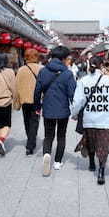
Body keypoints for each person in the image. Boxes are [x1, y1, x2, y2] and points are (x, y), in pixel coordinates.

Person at [71, 56, 109, 185]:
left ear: (88, 66)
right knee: (102, 146)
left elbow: (78, 102)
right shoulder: (108, 80)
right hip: (105, 119)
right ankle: (101, 172)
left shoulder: (83, 81)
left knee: (91, 141)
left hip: (89, 119)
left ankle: (92, 164)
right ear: (101, 66)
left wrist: (74, 114)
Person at [34, 46, 76, 176]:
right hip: (63, 110)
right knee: (61, 136)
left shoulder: (43, 71)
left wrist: (37, 107)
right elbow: (72, 93)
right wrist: (75, 110)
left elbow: (37, 92)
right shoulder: (68, 73)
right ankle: (57, 162)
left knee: (48, 136)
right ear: (63, 58)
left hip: (48, 108)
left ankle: (47, 154)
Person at [14, 48, 42, 155]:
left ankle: (30, 140)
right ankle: (30, 144)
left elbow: (16, 87)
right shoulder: (41, 69)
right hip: (37, 101)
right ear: (36, 57)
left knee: (26, 121)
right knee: (34, 122)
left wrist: (16, 103)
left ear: (25, 57)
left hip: (25, 101)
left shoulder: (21, 70)